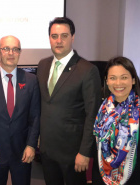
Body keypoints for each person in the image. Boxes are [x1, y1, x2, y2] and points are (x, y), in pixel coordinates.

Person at [37, 17, 102, 185]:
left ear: (73, 37)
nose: (59, 41)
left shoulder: (88, 70)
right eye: (54, 36)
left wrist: (85, 152)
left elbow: (92, 114)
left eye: (64, 35)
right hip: (47, 151)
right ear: (49, 38)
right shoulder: (43, 65)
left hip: (74, 155)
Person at [0, 35, 40, 185]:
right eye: (6, 49)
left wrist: (31, 145)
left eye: (15, 49)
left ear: (20, 52)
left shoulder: (31, 81)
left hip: (23, 152)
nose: (11, 53)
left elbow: (35, 116)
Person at [93, 56, 140, 185]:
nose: (118, 83)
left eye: (124, 77)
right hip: (102, 175)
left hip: (133, 177)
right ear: (107, 81)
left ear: (133, 80)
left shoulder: (138, 110)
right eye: (113, 78)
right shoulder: (102, 109)